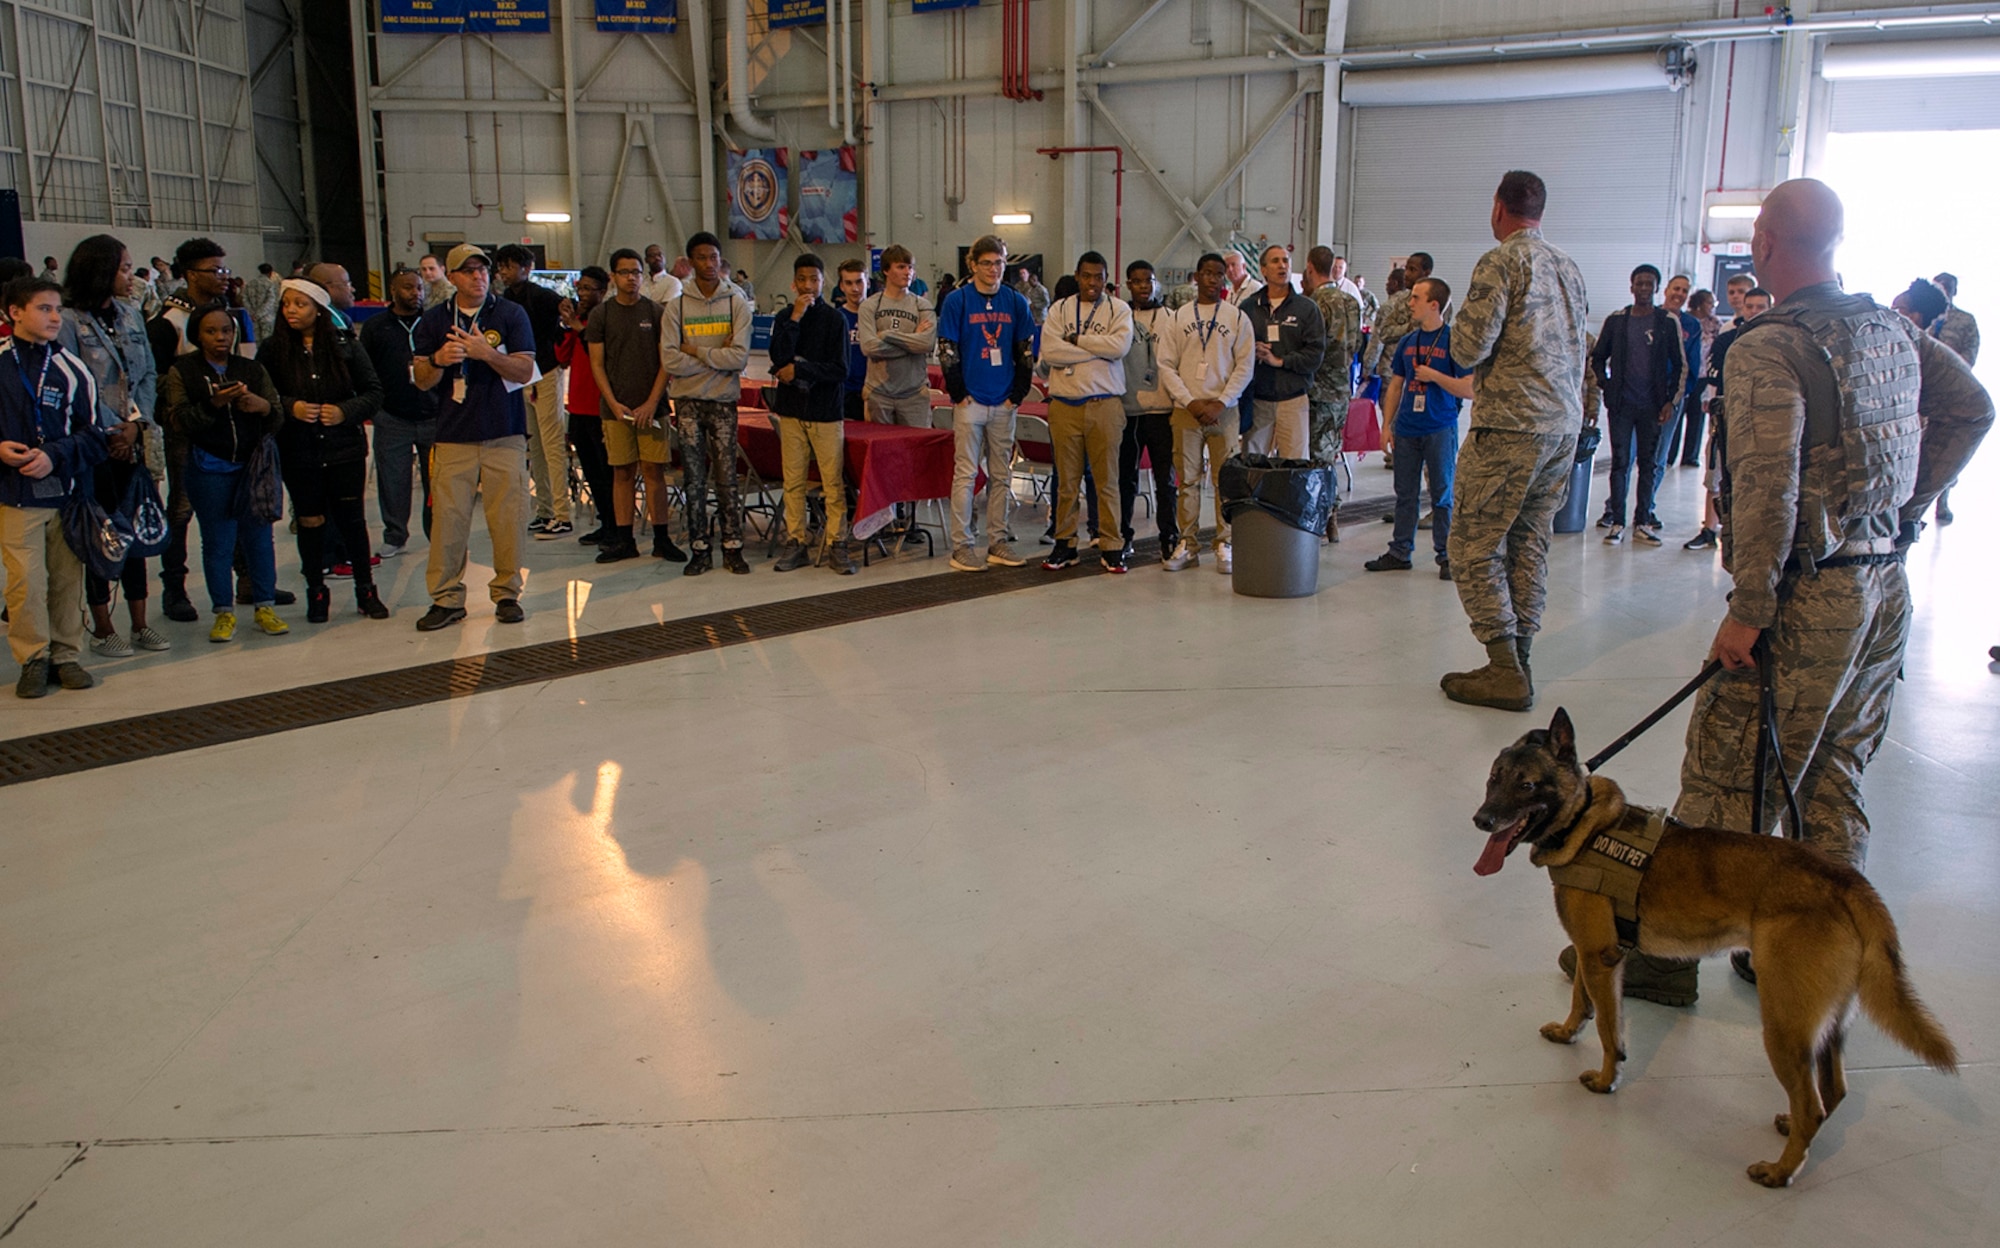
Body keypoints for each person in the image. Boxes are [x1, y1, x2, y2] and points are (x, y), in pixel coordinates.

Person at [1648, 178, 1996, 1006]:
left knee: (1731, 770)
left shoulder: (1766, 347)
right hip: (1880, 589)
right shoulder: (1893, 328)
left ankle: (1667, 957)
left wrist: (1749, 609)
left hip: (1806, 601)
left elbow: (1767, 488)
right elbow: (1972, 408)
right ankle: (1808, 948)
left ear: (1764, 242)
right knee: (1833, 773)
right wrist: (1903, 507)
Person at [1441, 169, 1589, 712]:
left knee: (1474, 545)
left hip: (1510, 427)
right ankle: (1520, 658)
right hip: (1562, 428)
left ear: (1499, 208)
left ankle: (1503, 668)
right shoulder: (1569, 267)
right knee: (1529, 541)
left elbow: (1468, 348)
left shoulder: (1500, 261)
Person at [410, 244, 537, 629]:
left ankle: (507, 593)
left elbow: (523, 370)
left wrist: (486, 353)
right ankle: (446, 598)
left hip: (504, 432)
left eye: (482, 269)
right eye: (467, 271)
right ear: (451, 277)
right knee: (448, 521)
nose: (478, 276)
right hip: (454, 435)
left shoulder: (511, 314)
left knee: (508, 519)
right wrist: (437, 361)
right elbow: (420, 379)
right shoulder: (434, 321)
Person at [56, 235, 164, 657]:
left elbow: (149, 374)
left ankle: (140, 624)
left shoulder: (131, 315)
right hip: (93, 446)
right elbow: (72, 383)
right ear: (99, 271)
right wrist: (111, 429)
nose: (129, 276)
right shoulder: (68, 321)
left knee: (134, 530)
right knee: (100, 534)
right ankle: (103, 628)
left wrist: (137, 424)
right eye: (122, 268)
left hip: (132, 443)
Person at [2, 277, 109, 695]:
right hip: (15, 495)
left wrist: (55, 455)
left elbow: (95, 435)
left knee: (66, 579)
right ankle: (33, 658)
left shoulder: (73, 369)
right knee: (25, 582)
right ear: (15, 312)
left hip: (67, 495)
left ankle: (66, 655)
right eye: (43, 309)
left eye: (56, 309)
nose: (53, 317)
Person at [148, 237, 263, 623]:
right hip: (189, 431)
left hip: (233, 429)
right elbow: (155, 382)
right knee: (181, 509)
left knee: (239, 503)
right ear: (189, 274)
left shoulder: (229, 314)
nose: (223, 278)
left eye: (224, 270)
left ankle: (247, 580)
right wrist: (198, 394)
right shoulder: (169, 322)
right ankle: (174, 589)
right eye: (214, 271)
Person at [263, 279, 387, 622]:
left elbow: (374, 391)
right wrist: (292, 407)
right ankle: (316, 591)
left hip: (343, 448)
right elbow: (266, 396)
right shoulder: (273, 350)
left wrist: (346, 411)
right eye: (287, 304)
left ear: (319, 310)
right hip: (299, 451)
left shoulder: (346, 346)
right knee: (310, 520)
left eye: (300, 304)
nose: (291, 310)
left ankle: (366, 590)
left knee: (352, 521)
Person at [162, 303, 286, 644]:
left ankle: (264, 605)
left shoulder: (251, 368)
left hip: (253, 466)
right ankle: (223, 610)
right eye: (211, 331)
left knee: (259, 539)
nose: (221, 338)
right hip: (208, 467)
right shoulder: (183, 371)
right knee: (218, 542)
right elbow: (178, 421)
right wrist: (213, 404)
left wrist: (260, 406)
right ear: (197, 335)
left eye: (227, 331)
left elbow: (276, 414)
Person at [937, 234, 1036, 572]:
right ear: (973, 265)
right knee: (965, 474)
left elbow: (1025, 349)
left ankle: (998, 541)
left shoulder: (1014, 301)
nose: (994, 269)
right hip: (970, 401)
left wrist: (1017, 394)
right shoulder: (957, 300)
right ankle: (962, 545)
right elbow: (947, 348)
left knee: (1001, 476)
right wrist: (958, 392)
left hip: (1003, 400)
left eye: (999, 262)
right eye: (987, 263)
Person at [660, 231, 754, 576]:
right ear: (691, 262)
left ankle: (733, 546)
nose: (709, 264)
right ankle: (700, 547)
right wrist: (718, 356)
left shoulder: (736, 303)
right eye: (702, 258)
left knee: (727, 477)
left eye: (714, 257)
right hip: (686, 403)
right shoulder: (677, 306)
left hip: (723, 401)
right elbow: (670, 361)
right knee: (694, 480)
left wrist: (697, 351)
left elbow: (739, 357)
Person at [1365, 277, 1470, 580]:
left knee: (1441, 494)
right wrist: (1386, 425)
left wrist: (1435, 376)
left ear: (1433, 305)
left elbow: (1469, 388)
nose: (1409, 303)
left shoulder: (1453, 342)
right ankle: (1400, 551)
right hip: (1407, 429)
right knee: (1405, 494)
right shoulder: (1408, 342)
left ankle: (1447, 556)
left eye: (1416, 298)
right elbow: (1396, 384)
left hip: (1439, 428)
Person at [1158, 252, 1255, 573]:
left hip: (1223, 411)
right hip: (1187, 410)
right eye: (1207, 273)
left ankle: (1224, 542)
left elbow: (1245, 366)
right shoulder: (1177, 317)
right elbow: (1166, 365)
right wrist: (1191, 402)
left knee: (1224, 480)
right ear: (1196, 276)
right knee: (1187, 480)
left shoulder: (1237, 318)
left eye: (1219, 274)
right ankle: (1188, 543)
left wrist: (1221, 402)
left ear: (1225, 279)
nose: (1213, 279)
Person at [1037, 251, 1133, 572]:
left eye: (1099, 277)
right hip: (1064, 405)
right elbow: (1050, 352)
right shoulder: (1059, 309)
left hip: (1104, 404)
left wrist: (1076, 340)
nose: (1093, 283)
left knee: (1107, 480)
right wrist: (1095, 351)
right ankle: (1065, 543)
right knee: (1067, 481)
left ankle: (1111, 544)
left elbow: (1118, 348)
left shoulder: (1119, 309)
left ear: (1107, 279)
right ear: (1077, 275)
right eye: (1087, 276)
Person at [587, 249, 680, 565]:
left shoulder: (654, 312)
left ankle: (661, 538)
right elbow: (596, 364)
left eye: (637, 272)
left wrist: (653, 403)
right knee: (622, 473)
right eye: (625, 272)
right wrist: (613, 403)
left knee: (654, 473)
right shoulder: (602, 314)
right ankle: (624, 539)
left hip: (652, 410)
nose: (632, 278)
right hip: (616, 410)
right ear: (613, 276)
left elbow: (665, 362)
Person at [768, 254, 856, 575]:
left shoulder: (835, 321)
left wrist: (801, 368)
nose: (808, 286)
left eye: (814, 280)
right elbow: (778, 356)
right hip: (791, 411)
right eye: (802, 280)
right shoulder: (784, 316)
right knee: (793, 482)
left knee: (832, 484)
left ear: (823, 282)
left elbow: (840, 369)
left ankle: (837, 543)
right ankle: (796, 541)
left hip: (826, 413)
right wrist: (795, 317)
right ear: (794, 283)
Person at [1589, 264, 1687, 545]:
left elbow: (1680, 365)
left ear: (1657, 288)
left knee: (1649, 464)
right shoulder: (1617, 321)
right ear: (1631, 287)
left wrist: (1671, 401)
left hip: (1653, 407)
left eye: (1649, 284)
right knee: (1620, 463)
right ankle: (1616, 521)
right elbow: (1597, 357)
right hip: (1622, 405)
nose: (1644, 289)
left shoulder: (1667, 322)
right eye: (1639, 283)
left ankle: (1643, 521)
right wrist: (1606, 386)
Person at [492, 245, 572, 539]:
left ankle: (563, 514)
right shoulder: (504, 300)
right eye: (502, 266)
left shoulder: (543, 296)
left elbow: (566, 312)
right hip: (521, 377)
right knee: (535, 446)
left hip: (546, 373)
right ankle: (545, 511)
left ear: (526, 267)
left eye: (510, 266)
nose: (504, 272)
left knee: (552, 445)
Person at [359, 266, 438, 560]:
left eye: (419, 287)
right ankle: (395, 535)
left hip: (433, 414)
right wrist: (377, 409)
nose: (415, 293)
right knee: (393, 482)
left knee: (438, 484)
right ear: (393, 291)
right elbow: (365, 371)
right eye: (408, 288)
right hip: (393, 416)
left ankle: (438, 536)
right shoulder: (376, 327)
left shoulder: (433, 323)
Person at [1683, 285, 1771, 550]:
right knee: (1717, 472)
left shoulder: (1778, 341)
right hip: (1728, 416)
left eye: (1760, 307)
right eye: (1750, 306)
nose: (1754, 312)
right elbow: (1716, 373)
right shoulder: (1727, 338)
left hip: (1765, 421)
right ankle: (1709, 529)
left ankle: (1751, 535)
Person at [1116, 260, 1177, 561]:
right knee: (1126, 479)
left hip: (1162, 411)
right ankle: (1124, 536)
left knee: (1165, 479)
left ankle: (1169, 536)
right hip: (1128, 411)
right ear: (1128, 284)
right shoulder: (1119, 315)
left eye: (1149, 280)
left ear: (1156, 283)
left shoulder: (1171, 317)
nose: (1144, 286)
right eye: (1137, 280)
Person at [1240, 245, 1325, 459]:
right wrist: (1252, 350)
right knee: (1252, 462)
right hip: (1258, 398)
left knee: (1295, 465)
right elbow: (1234, 348)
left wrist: (1280, 361)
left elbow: (1315, 355)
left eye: (1285, 261)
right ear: (1263, 270)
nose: (1282, 266)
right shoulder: (1248, 308)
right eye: (1275, 261)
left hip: (1293, 398)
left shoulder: (1307, 308)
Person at [554, 266, 615, 548]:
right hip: (577, 406)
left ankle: (616, 524)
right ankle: (605, 522)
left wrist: (579, 328)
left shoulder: (605, 320)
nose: (583, 294)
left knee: (607, 472)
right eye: (581, 288)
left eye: (590, 288)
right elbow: (562, 357)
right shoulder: (578, 320)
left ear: (602, 291)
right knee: (590, 470)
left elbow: (600, 353)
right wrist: (567, 325)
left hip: (600, 407)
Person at [1303, 245, 1361, 527]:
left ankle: (1324, 514)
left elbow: (1311, 348)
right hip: (1342, 389)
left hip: (1318, 390)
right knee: (1331, 450)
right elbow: (1358, 343)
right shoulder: (1350, 301)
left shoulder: (1314, 303)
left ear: (1310, 268)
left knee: (1317, 455)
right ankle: (1333, 513)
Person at [857, 244, 938, 428]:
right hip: (879, 393)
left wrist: (888, 335)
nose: (908, 272)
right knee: (882, 453)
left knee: (916, 452)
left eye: (910, 267)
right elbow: (869, 347)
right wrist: (911, 341)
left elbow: (926, 343)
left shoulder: (922, 305)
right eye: (901, 267)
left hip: (914, 394)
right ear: (886, 270)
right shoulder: (870, 306)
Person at [1928, 272, 1978, 526]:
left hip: (1948, 396)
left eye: (1948, 287)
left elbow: (1968, 358)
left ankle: (1942, 501)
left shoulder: (1965, 321)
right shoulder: (1921, 314)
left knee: (1944, 450)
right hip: (1920, 396)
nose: (1944, 289)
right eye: (1939, 285)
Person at [1658, 273, 1704, 469]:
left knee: (1662, 451)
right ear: (1666, 290)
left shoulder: (1692, 325)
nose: (1679, 294)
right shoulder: (1651, 316)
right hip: (1645, 392)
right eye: (1676, 288)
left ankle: (1648, 497)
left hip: (1673, 393)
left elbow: (1692, 361)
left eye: (1684, 291)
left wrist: (1681, 393)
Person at [836, 259, 870, 422]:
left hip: (874, 393)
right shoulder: (835, 319)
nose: (855, 289)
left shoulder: (879, 316)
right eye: (849, 283)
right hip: (844, 393)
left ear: (867, 282)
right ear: (842, 286)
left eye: (859, 282)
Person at [244, 263, 282, 342]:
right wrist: (260, 314)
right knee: (268, 342)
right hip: (267, 318)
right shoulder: (270, 284)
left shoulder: (250, 283)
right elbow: (271, 300)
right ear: (270, 272)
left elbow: (245, 299)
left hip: (253, 319)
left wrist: (251, 313)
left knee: (258, 342)